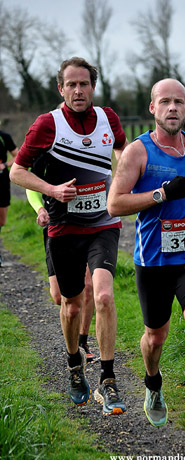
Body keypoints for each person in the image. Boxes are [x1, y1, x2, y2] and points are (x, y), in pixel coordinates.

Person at [10, 57, 128, 415]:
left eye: (85, 84)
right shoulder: (48, 124)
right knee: (71, 303)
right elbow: (17, 170)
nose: (79, 91)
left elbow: (122, 148)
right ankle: (75, 365)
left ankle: (108, 380)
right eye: (71, 85)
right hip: (63, 228)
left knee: (104, 295)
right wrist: (51, 189)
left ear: (93, 86)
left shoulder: (108, 118)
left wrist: (122, 171)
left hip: (103, 223)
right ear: (61, 89)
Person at [107, 78, 185, 446]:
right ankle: (152, 383)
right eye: (165, 102)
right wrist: (159, 194)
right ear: (152, 108)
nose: (173, 108)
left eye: (179, 102)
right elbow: (115, 204)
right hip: (154, 259)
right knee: (156, 337)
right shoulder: (137, 153)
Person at [26, 188, 97, 362]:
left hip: (88, 223)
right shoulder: (51, 160)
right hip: (57, 225)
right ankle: (72, 341)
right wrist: (40, 209)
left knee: (88, 286)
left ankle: (82, 343)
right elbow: (30, 182)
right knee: (59, 297)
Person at [0, 129, 19, 266]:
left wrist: (5, 165)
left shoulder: (4, 137)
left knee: (1, 221)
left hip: (2, 182)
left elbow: (17, 156)